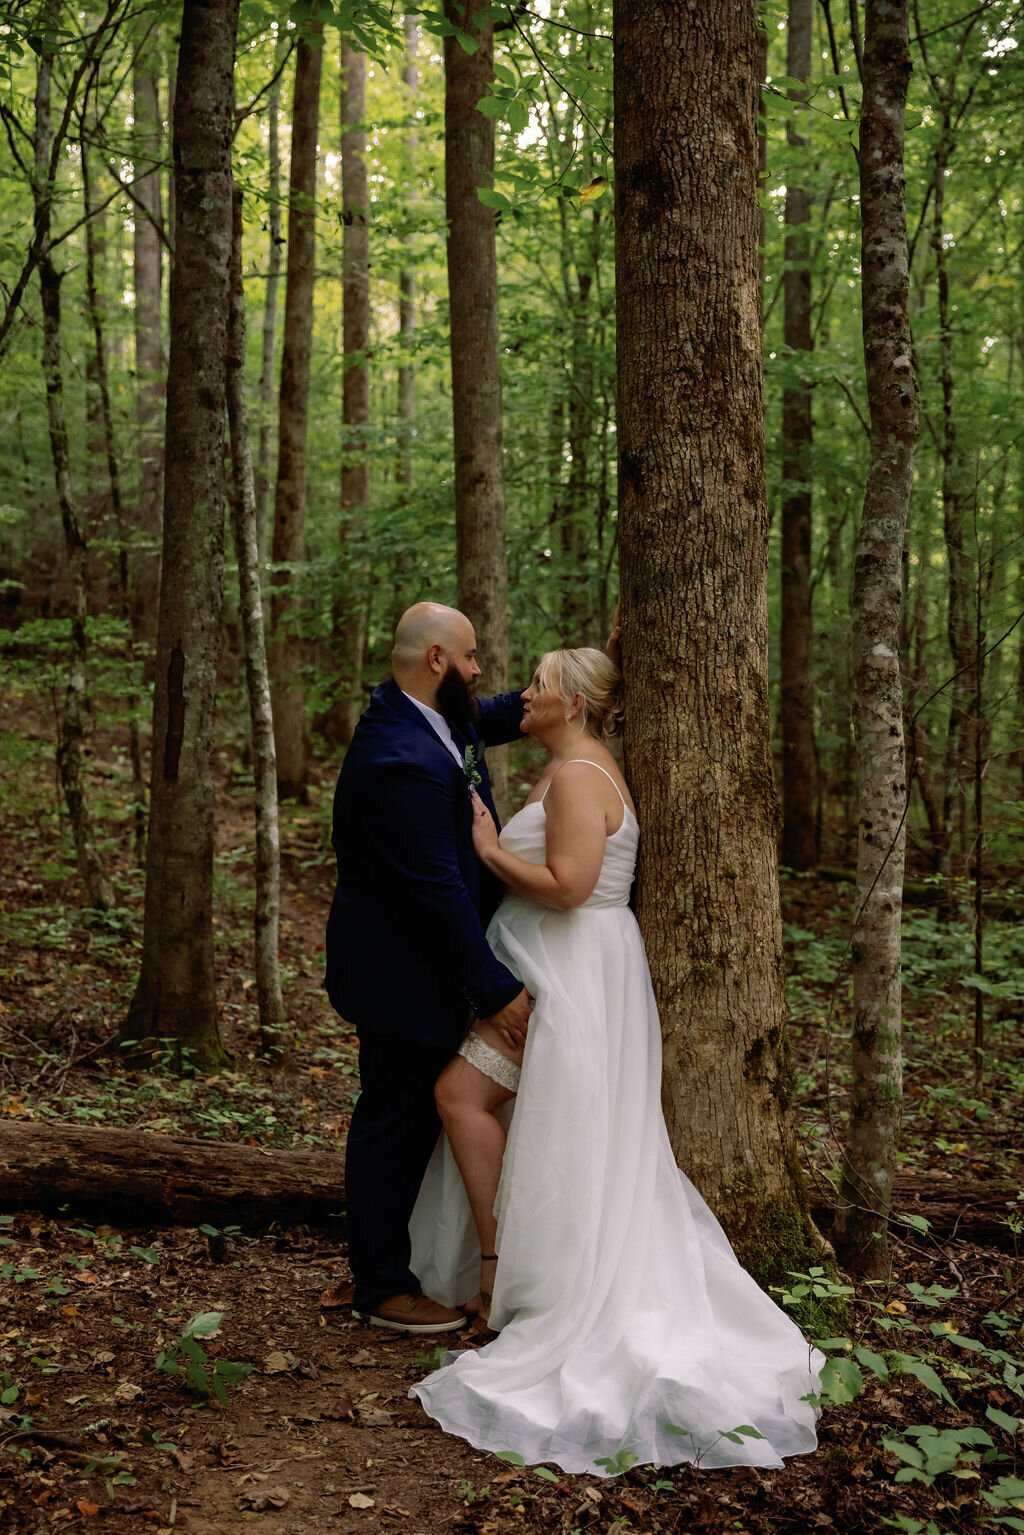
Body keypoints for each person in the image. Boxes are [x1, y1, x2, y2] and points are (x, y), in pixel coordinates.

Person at [407, 646, 823, 1474]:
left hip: (570, 968)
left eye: (536, 686)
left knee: (462, 1094)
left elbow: (568, 883)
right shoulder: (581, 762)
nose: (521, 695)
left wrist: (489, 849)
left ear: (575, 703)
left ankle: (505, 1275)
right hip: (571, 963)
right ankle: (512, 1269)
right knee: (557, 1127)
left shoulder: (575, 776)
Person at [323, 601, 531, 1333]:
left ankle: (398, 1261)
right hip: (399, 974)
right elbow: (436, 888)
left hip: (418, 967)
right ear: (437, 660)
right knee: (394, 1119)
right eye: (471, 657)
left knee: (411, 1115)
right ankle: (380, 1286)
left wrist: (593, 674)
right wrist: (496, 987)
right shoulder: (400, 758)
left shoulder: (432, 718)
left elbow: (495, 715)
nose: (480, 672)